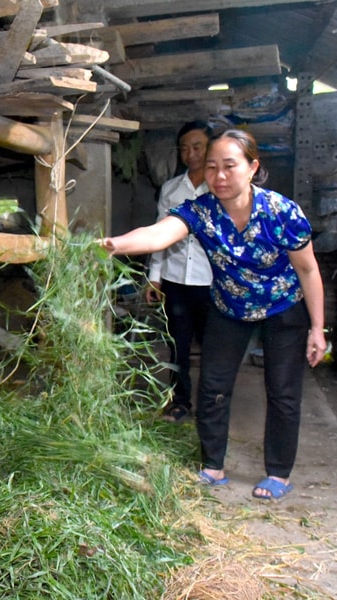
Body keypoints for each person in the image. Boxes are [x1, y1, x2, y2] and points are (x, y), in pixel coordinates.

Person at [99, 129, 327, 501]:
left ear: (252, 168)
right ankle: (213, 466)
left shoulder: (281, 212)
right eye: (211, 168)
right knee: (213, 387)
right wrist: (116, 245)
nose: (219, 177)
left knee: (283, 392)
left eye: (229, 166)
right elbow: (158, 235)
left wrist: (317, 327)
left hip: (283, 309)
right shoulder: (201, 211)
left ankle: (279, 473)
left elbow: (308, 270)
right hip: (228, 308)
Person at [146, 121, 213, 423]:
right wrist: (154, 276)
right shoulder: (171, 189)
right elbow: (159, 235)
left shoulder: (220, 188)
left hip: (213, 282)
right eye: (185, 148)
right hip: (176, 282)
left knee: (214, 348)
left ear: (210, 148)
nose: (191, 153)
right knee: (178, 345)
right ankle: (180, 401)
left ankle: (212, 405)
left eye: (197, 146)